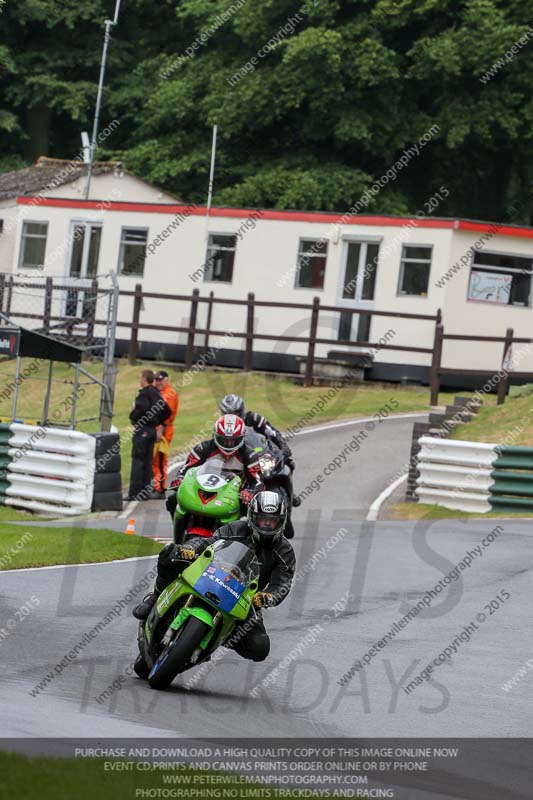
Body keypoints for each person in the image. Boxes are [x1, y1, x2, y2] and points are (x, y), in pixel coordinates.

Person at [133, 491, 296, 662]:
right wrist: (190, 548)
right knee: (170, 553)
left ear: (282, 521)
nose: (267, 525)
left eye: (272, 521)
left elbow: (282, 584)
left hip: (244, 600)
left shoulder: (284, 550)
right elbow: (209, 542)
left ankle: (216, 638)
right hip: (210, 578)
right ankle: (156, 596)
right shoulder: (235, 528)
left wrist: (267, 597)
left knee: (260, 647)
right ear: (252, 517)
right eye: (263, 519)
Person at [165, 413, 263, 520]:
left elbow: (258, 481)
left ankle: (244, 535)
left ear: (241, 438)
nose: (228, 444)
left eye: (233, 440)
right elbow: (186, 468)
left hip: (234, 495)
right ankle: (179, 534)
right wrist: (179, 479)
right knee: (173, 499)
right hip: (203, 489)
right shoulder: (203, 448)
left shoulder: (249, 455)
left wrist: (250, 493)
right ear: (216, 436)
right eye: (224, 439)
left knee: (256, 510)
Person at [125, 370, 171, 502]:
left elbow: (141, 408)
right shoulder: (156, 393)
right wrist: (159, 422)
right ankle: (145, 492)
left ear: (145, 378)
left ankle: (134, 493)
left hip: (143, 430)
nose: (140, 380)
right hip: (152, 431)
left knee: (138, 461)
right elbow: (167, 411)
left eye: (140, 377)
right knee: (148, 461)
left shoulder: (145, 393)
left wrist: (133, 418)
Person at [219, 394, 296, 472]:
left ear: (242, 410)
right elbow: (216, 445)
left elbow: (272, 432)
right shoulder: (222, 427)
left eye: (236, 413)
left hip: (263, 454)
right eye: (230, 414)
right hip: (239, 461)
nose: (234, 417)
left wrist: (283, 446)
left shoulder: (253, 418)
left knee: (288, 464)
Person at [150, 370, 179, 499]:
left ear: (166, 380)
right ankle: (154, 485)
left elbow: (168, 415)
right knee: (153, 460)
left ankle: (160, 488)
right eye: (156, 380)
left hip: (164, 431)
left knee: (160, 460)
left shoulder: (170, 394)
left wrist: (161, 429)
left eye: (160, 380)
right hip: (156, 429)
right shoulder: (159, 392)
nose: (158, 382)